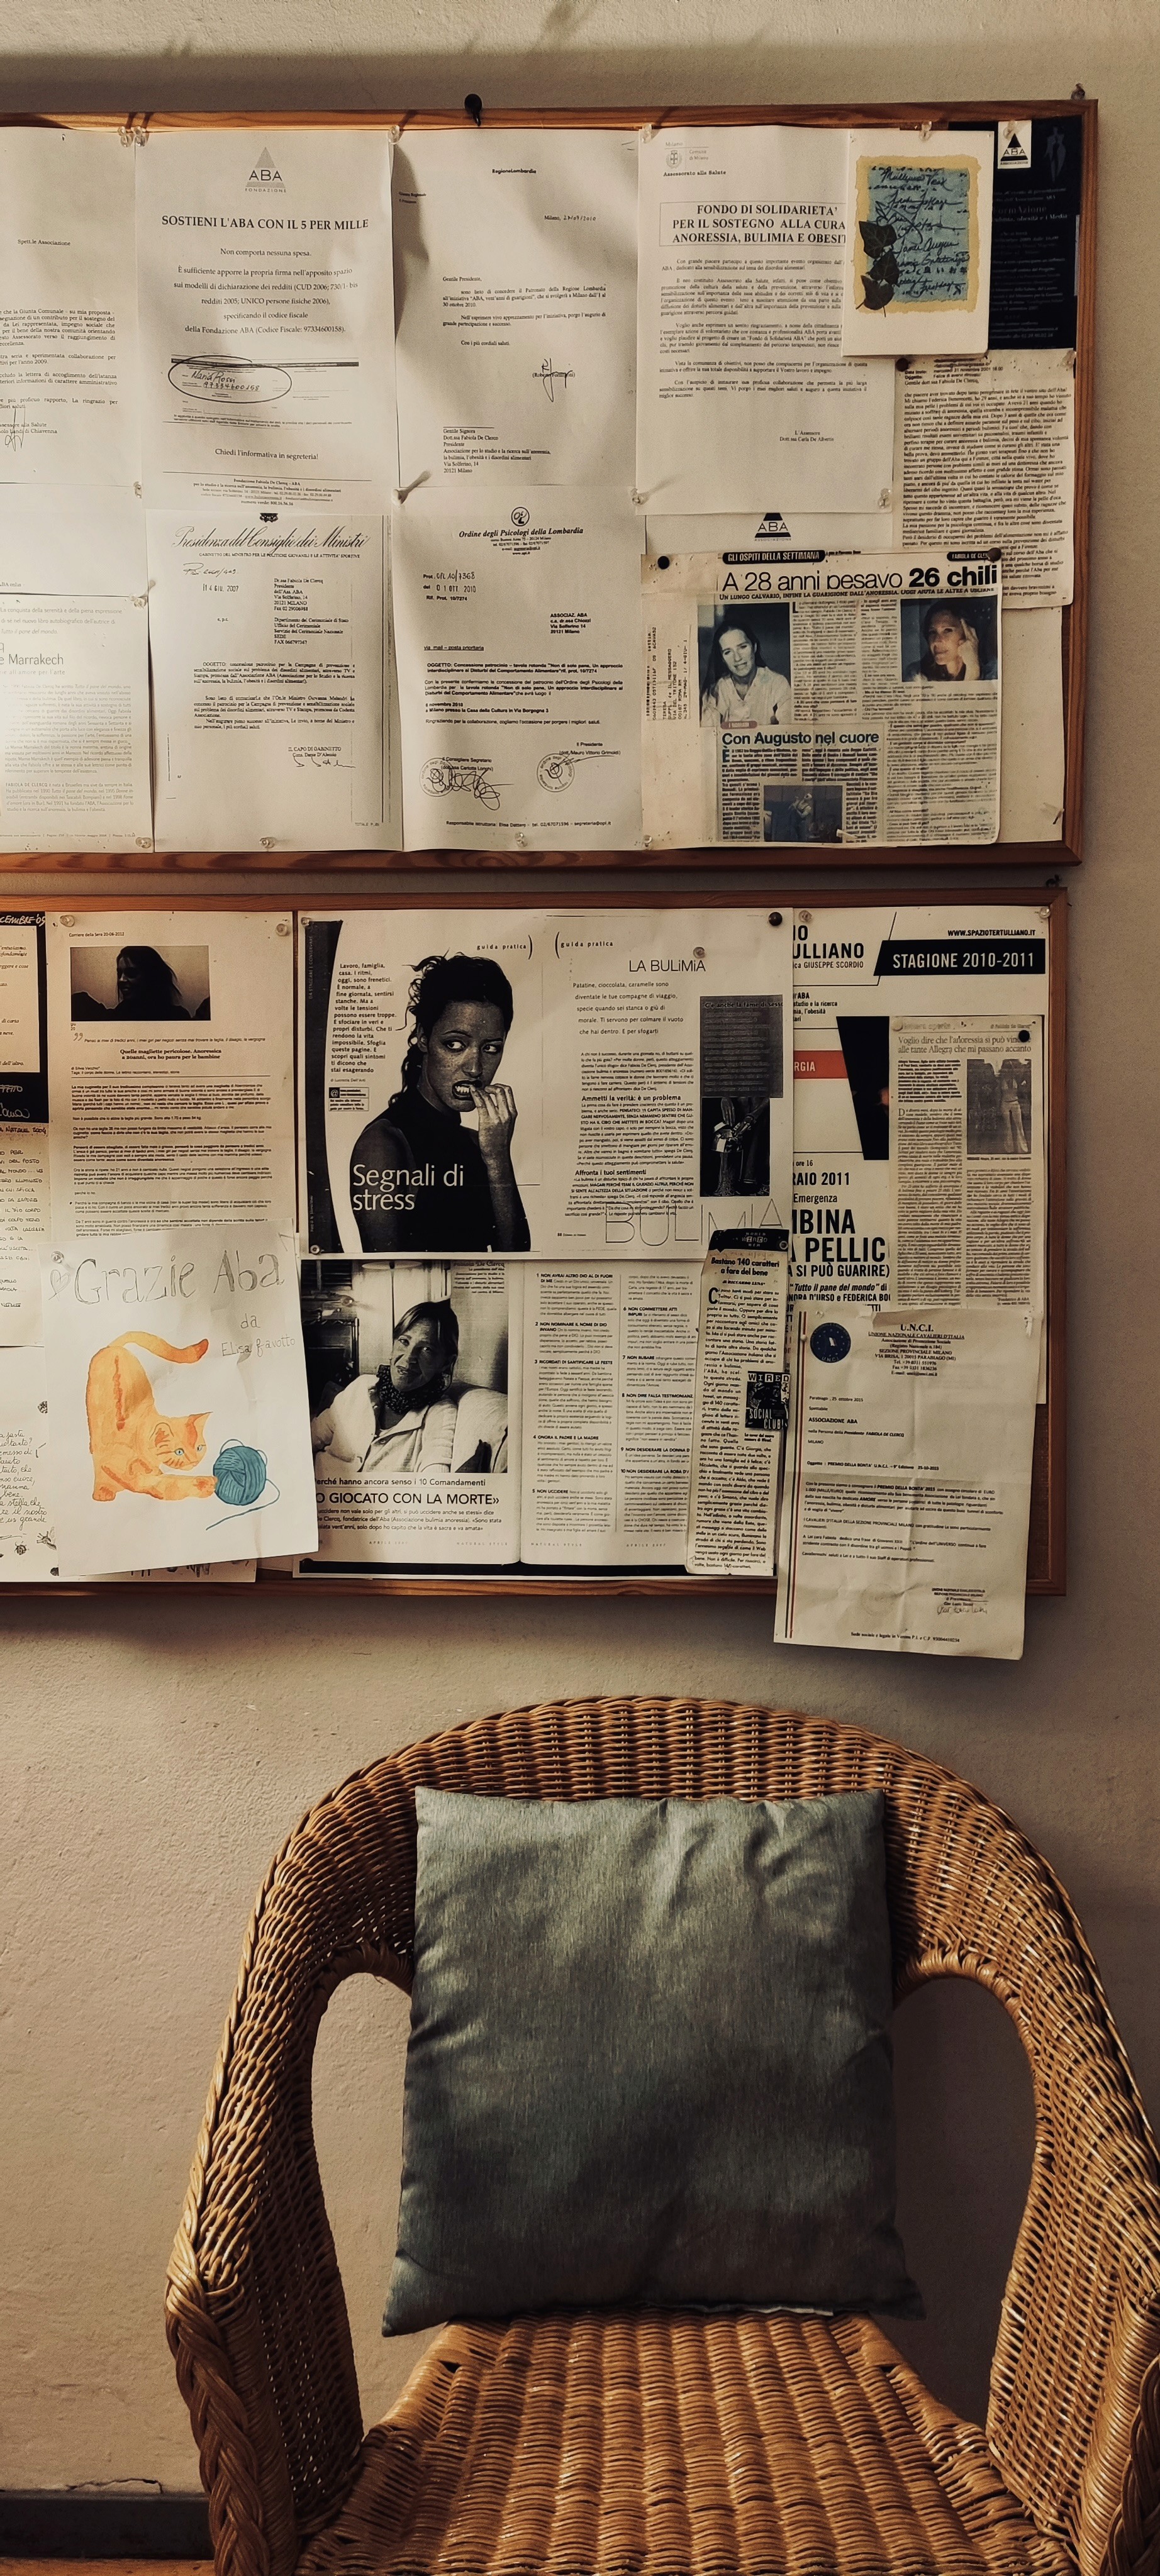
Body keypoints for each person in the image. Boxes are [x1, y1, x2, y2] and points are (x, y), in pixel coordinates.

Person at [350, 955, 531, 1255]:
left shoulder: (482, 1144)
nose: (474, 1068)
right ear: (423, 1037)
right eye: (455, 1045)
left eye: (491, 1049)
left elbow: (517, 1260)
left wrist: (498, 1159)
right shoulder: (383, 1144)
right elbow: (387, 1272)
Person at [311, 1302, 460, 1475]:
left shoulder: (441, 1414)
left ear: (446, 1363)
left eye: (427, 1349)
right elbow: (313, 1437)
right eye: (404, 1342)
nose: (408, 1358)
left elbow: (435, 1480)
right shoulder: (361, 1387)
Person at [700, 618, 792, 726]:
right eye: (728, 652)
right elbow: (707, 734)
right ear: (722, 659)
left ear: (754, 647)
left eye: (743, 647)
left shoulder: (777, 684)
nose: (737, 658)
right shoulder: (716, 691)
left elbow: (789, 729)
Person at [72, 945, 192, 1022]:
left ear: (151, 977)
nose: (121, 980)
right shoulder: (118, 1016)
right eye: (120, 974)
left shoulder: (177, 1017)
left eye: (131, 973)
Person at [905, 602, 998, 682]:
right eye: (932, 632)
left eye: (947, 631)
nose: (937, 641)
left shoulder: (993, 673)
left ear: (968, 633)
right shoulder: (916, 673)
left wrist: (973, 667)